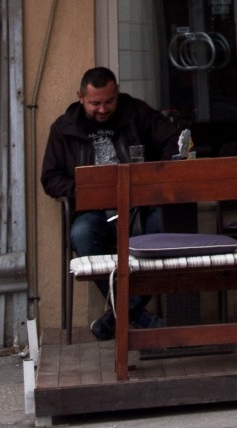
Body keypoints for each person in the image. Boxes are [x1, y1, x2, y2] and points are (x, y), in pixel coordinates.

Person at [41, 66, 180, 340]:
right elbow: (49, 178)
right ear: (80, 97)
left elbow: (173, 140)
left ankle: (119, 314)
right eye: (95, 103)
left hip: (140, 206)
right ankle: (137, 314)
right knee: (81, 234)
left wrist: (156, 176)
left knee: (169, 225)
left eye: (109, 102)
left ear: (117, 95)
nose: (103, 109)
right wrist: (85, 191)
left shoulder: (136, 113)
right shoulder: (64, 128)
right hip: (93, 212)